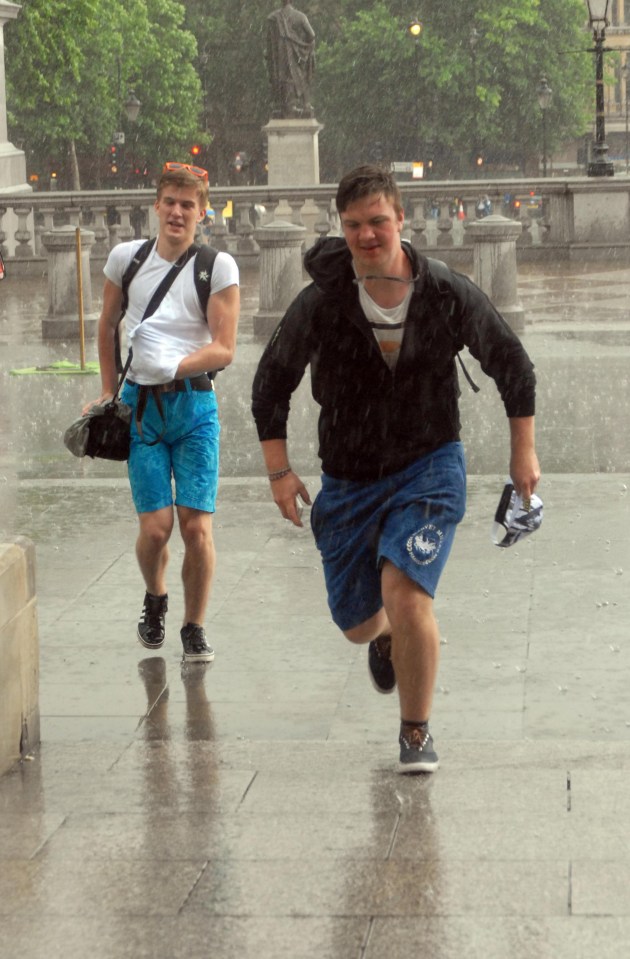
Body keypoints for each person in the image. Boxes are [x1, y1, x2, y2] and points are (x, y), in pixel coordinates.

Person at [251, 164, 539, 773]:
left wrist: (524, 455)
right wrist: (280, 470)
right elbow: (271, 382)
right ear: (342, 227)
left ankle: (415, 730)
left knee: (406, 594)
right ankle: (384, 640)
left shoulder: (444, 291)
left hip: (429, 465)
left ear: (401, 219)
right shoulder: (323, 302)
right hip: (349, 478)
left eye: (378, 221)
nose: (366, 235)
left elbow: (512, 364)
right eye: (353, 225)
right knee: (358, 622)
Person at [84, 162, 240, 663]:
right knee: (155, 529)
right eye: (170, 201)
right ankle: (156, 595)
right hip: (142, 408)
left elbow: (225, 348)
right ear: (156, 205)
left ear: (201, 211)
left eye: (187, 204)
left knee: (196, 527)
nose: (177, 211)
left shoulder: (217, 267)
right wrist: (110, 391)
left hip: (194, 406)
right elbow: (107, 325)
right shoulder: (125, 260)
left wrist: (175, 362)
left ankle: (194, 626)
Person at [265, 0, 315, 118]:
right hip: (297, 57)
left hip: (280, 59)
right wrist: (304, 49)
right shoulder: (300, 17)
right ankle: (302, 104)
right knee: (298, 78)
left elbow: (269, 43)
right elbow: (312, 35)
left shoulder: (272, 18)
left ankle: (286, 105)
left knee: (284, 78)